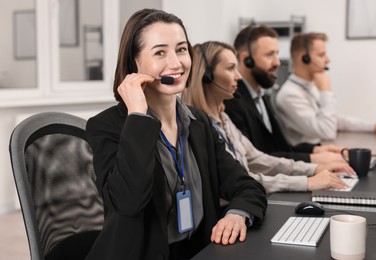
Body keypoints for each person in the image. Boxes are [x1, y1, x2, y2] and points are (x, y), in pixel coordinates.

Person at [84, 9, 267, 260]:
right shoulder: (107, 126)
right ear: (134, 64)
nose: (176, 63)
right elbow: (128, 203)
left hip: (198, 252)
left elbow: (246, 186)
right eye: (160, 52)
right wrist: (137, 116)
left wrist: (237, 214)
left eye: (181, 49)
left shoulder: (198, 122)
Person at [181, 41, 355, 194]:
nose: (238, 76)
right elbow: (240, 180)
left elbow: (258, 159)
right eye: (230, 68)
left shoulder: (224, 118)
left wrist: (314, 169)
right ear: (207, 76)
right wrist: (306, 181)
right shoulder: (200, 127)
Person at [224, 25, 345, 165]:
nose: (277, 62)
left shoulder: (261, 96)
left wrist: (316, 150)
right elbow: (257, 159)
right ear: (247, 59)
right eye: (270, 55)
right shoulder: (232, 102)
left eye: (277, 53)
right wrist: (312, 159)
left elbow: (278, 148)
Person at [274, 32, 376, 146]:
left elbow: (334, 120)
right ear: (304, 58)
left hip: (323, 149)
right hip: (309, 157)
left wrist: (373, 127)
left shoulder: (308, 86)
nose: (327, 60)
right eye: (321, 55)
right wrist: (325, 90)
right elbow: (327, 131)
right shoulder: (289, 95)